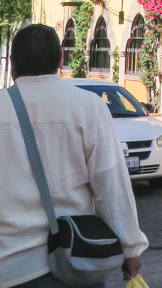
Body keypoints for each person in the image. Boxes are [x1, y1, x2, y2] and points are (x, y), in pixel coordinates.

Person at [1, 24, 148, 288]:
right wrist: (130, 247)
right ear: (60, 60)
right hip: (76, 261)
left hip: (10, 268)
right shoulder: (88, 107)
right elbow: (111, 183)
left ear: (12, 63)